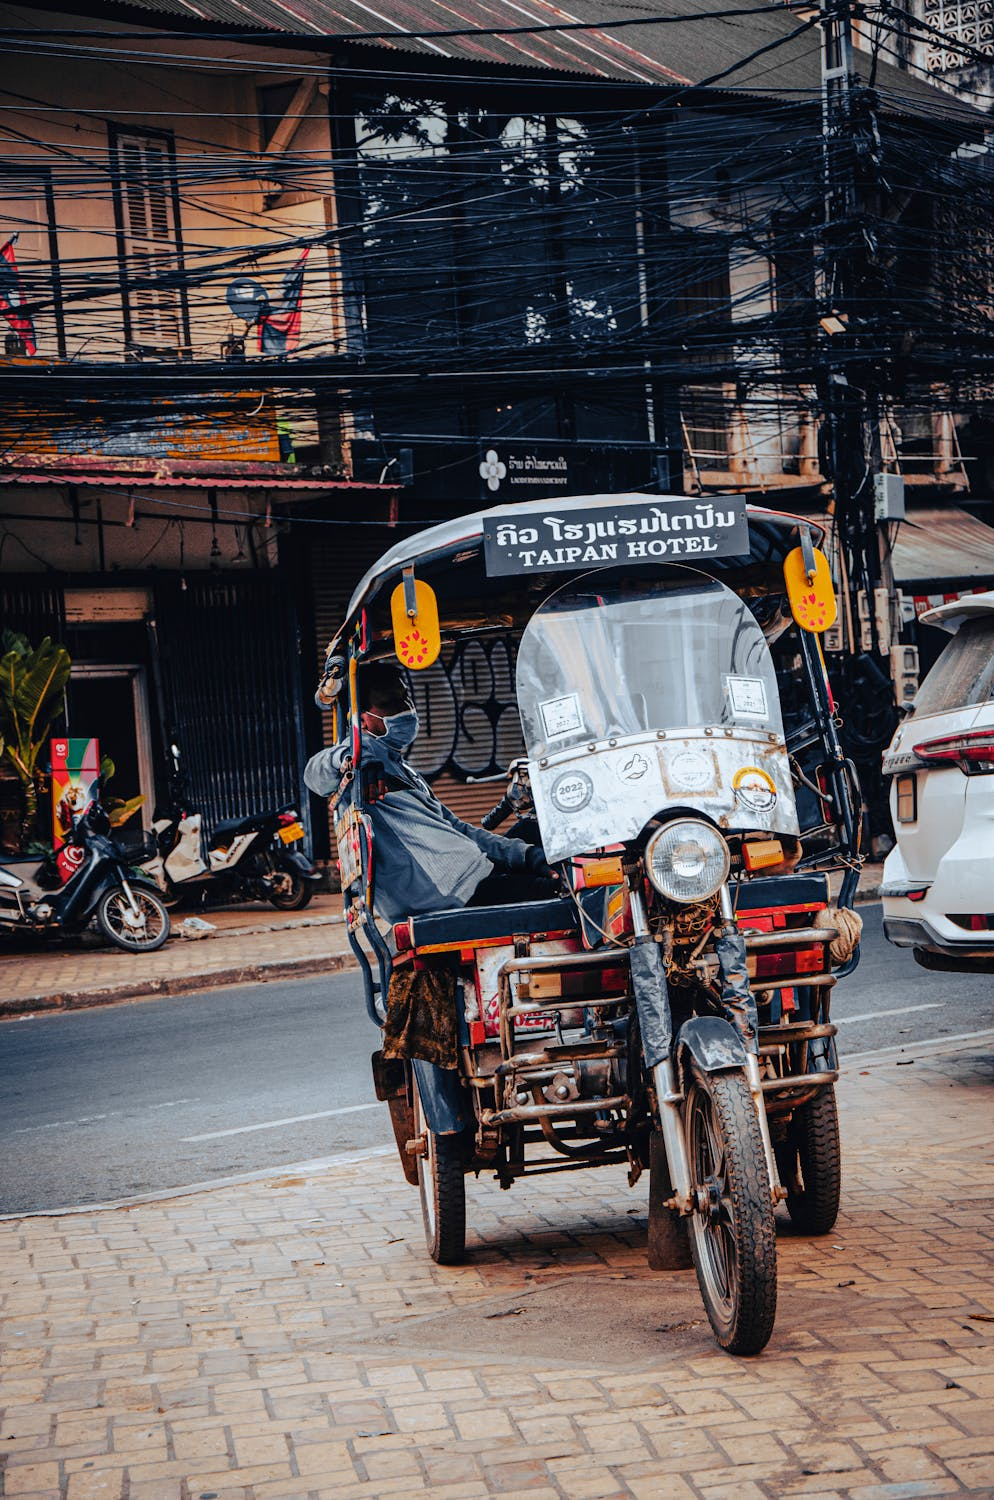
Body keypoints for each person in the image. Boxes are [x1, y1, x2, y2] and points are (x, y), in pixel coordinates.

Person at [304, 662, 556, 924]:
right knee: (561, 894)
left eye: (405, 699)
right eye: (391, 704)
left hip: (470, 873)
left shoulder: (402, 769)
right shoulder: (360, 766)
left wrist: (525, 855)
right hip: (447, 892)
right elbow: (314, 774)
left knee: (533, 833)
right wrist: (354, 759)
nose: (405, 710)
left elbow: (459, 829)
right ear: (363, 719)